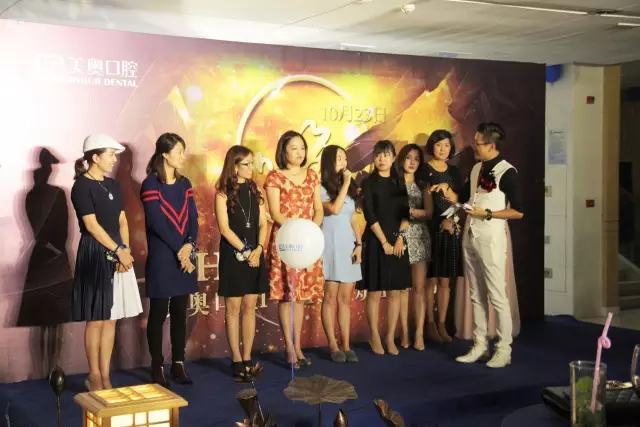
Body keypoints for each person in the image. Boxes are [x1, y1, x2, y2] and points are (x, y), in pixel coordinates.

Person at [430, 122, 523, 368]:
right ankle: (479, 344)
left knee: (497, 294)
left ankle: (504, 349)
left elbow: (518, 211)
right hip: (470, 235)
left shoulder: (507, 171)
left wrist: (488, 213)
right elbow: (464, 198)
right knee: (476, 293)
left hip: (492, 238)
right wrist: (447, 191)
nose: (474, 146)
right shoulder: (476, 169)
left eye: (478, 143)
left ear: (491, 146)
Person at [70, 134, 142, 391]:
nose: (114, 160)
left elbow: (122, 221)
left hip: (118, 251)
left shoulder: (111, 185)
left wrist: (125, 250)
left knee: (111, 318)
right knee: (97, 318)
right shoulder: (81, 186)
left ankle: (106, 375)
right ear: (95, 157)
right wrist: (118, 250)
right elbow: (91, 225)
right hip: (95, 253)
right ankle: (94, 375)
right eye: (110, 155)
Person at [141, 133, 199, 387]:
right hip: (163, 256)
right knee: (158, 313)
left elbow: (193, 219)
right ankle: (157, 366)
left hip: (184, 253)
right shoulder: (150, 184)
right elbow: (157, 223)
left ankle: (178, 363)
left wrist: (189, 245)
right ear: (164, 154)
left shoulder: (185, 184)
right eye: (179, 152)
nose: (183, 156)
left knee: (179, 312)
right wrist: (180, 249)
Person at [265, 130, 324, 369]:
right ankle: (288, 347)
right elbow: (275, 212)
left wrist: (311, 231)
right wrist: (297, 230)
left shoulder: (312, 175)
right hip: (287, 240)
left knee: (300, 297)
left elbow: (318, 209)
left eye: (302, 148)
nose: (299, 152)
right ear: (284, 151)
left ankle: (298, 346)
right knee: (287, 295)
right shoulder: (274, 177)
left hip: (308, 243)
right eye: (294, 148)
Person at [215, 146, 268, 382]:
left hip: (255, 254)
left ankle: (247, 357)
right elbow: (224, 229)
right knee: (233, 308)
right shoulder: (222, 193)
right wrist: (246, 251)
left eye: (252, 163)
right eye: (246, 164)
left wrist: (259, 249)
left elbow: (263, 224)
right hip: (234, 255)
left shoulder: (256, 190)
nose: (251, 168)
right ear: (234, 166)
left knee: (250, 307)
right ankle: (236, 359)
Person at [358, 140, 411, 356]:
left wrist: (399, 239)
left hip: (397, 241)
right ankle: (374, 336)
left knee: (395, 291)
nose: (382, 159)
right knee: (374, 291)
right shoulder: (369, 183)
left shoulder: (399, 183)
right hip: (375, 240)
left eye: (386, 155)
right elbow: (369, 214)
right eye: (378, 155)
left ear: (393, 158)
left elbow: (406, 214)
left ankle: (390, 337)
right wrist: (384, 242)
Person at [319, 145, 363, 363]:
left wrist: (359, 244)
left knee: (345, 299)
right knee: (330, 297)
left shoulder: (351, 188)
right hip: (329, 246)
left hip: (348, 245)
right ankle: (333, 345)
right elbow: (335, 209)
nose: (343, 163)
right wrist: (346, 183)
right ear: (329, 162)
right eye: (338, 159)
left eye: (345, 158)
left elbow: (353, 218)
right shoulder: (320, 188)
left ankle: (346, 344)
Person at [425, 130, 463, 344]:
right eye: (438, 144)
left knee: (445, 280)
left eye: (446, 145)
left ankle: (441, 323)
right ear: (432, 146)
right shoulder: (424, 169)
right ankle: (429, 323)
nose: (442, 149)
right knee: (429, 280)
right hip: (428, 228)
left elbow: (460, 201)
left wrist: (451, 219)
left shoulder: (454, 172)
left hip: (449, 228)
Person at [396, 143, 432, 351]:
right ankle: (404, 333)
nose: (412, 162)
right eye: (408, 158)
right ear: (401, 159)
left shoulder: (423, 184)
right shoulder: (394, 182)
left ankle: (419, 334)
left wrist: (410, 212)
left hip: (419, 237)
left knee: (419, 288)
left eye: (416, 159)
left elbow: (429, 212)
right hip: (399, 238)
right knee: (402, 289)